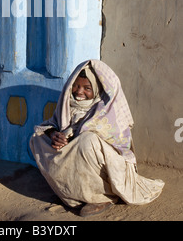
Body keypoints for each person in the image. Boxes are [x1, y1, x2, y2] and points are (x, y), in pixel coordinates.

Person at [30, 59, 165, 217]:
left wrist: (74, 138)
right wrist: (55, 135)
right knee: (37, 138)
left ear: (97, 88)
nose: (79, 92)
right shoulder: (67, 104)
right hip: (77, 154)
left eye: (87, 88)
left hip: (111, 165)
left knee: (87, 141)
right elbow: (52, 124)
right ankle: (71, 192)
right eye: (76, 86)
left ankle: (102, 196)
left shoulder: (108, 110)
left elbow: (117, 147)